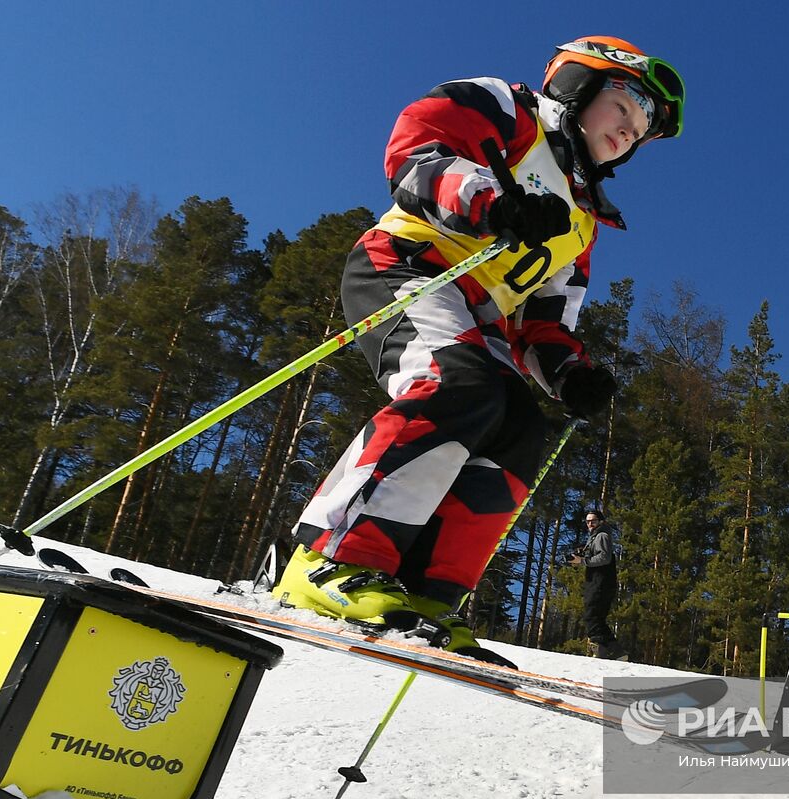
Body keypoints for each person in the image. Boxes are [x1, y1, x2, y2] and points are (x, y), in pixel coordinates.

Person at [272, 37, 684, 665]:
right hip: (408, 268)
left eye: (645, 128)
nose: (632, 130)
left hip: (477, 315)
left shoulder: (581, 223)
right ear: (577, 83)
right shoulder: (507, 111)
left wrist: (570, 374)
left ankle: (426, 595)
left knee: (517, 426)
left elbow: (544, 322)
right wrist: (491, 201)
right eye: (626, 105)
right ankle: (332, 559)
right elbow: (417, 149)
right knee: (456, 380)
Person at [571, 510, 626, 660]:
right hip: (598, 581)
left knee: (592, 616)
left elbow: (604, 557)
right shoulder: (595, 537)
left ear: (601, 522)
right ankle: (617, 652)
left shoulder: (602, 535)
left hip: (601, 582)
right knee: (596, 617)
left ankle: (601, 651)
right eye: (587, 521)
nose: (590, 524)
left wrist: (582, 561)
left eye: (593, 521)